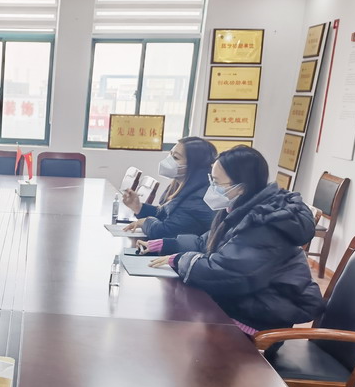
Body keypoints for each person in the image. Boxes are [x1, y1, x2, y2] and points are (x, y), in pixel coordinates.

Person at [138, 145, 324, 334]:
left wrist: (179, 260)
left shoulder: (263, 224)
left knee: (172, 327)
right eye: (211, 180)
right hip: (238, 303)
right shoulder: (241, 208)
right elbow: (206, 243)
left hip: (256, 321)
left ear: (241, 188)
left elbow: (224, 272)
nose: (211, 187)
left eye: (216, 182)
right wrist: (165, 244)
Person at [122, 136, 216, 238]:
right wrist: (138, 207)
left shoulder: (198, 198)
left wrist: (145, 223)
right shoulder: (183, 186)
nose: (169, 160)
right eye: (170, 154)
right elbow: (165, 214)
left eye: (175, 157)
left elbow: (165, 231)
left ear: (193, 165)